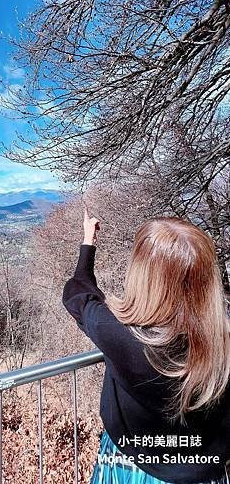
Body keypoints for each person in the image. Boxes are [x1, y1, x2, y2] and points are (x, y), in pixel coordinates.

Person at [62, 207, 230, 484]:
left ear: (142, 274)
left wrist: (88, 242)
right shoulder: (222, 339)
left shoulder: (117, 333)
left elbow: (78, 292)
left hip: (132, 466)